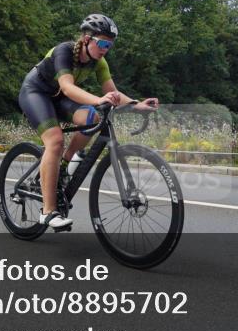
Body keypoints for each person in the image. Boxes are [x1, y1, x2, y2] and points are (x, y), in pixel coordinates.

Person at [18, 14, 158, 230]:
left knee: (92, 117)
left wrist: (137, 104)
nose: (105, 49)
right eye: (102, 43)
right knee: (55, 140)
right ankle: (47, 211)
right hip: (36, 92)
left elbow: (113, 93)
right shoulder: (64, 51)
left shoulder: (100, 62)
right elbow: (67, 87)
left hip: (58, 98)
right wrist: (98, 100)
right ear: (86, 38)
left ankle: (64, 164)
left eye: (109, 45)